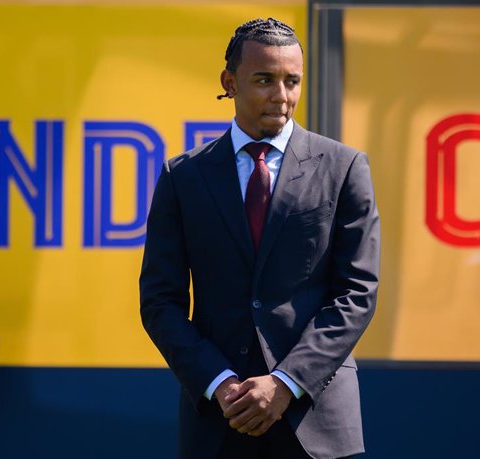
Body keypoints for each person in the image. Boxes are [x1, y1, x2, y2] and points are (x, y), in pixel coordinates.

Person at [139, 17, 380, 459]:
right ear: (229, 82)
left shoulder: (345, 168)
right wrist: (219, 383)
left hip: (317, 423)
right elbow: (160, 302)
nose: (282, 96)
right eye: (265, 79)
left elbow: (357, 293)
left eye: (293, 81)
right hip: (219, 421)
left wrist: (286, 383)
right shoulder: (182, 177)